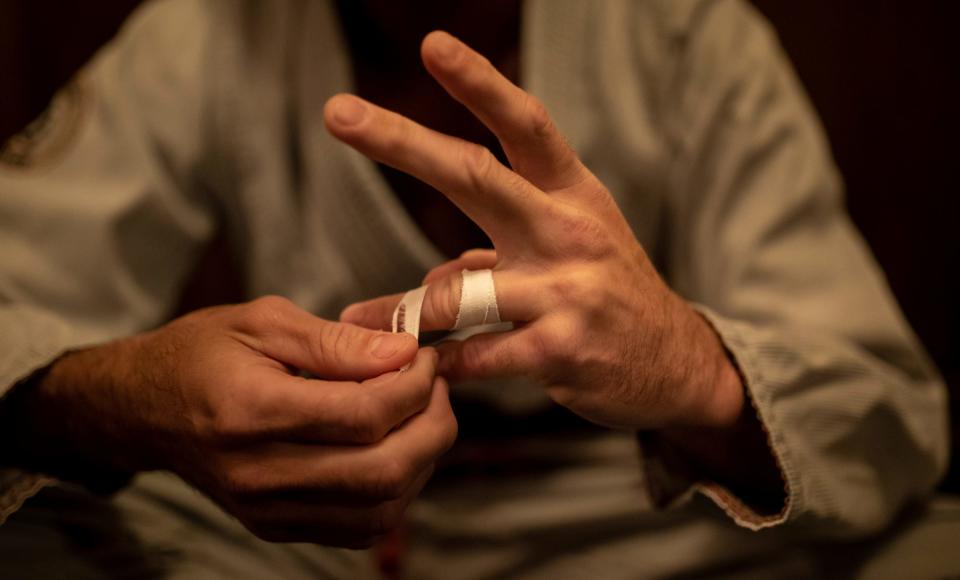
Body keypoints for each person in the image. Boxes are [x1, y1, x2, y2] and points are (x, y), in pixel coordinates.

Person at [0, 0, 954, 577]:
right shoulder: (205, 32)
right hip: (283, 544)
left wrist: (687, 364)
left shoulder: (686, 29)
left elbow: (889, 410)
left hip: (631, 523)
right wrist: (127, 399)